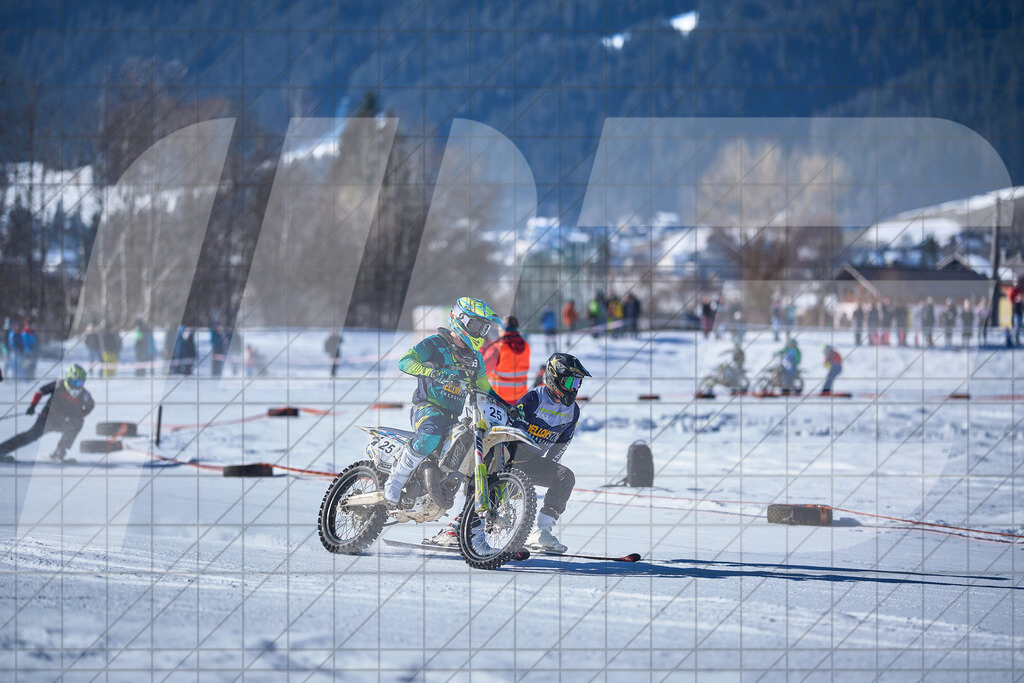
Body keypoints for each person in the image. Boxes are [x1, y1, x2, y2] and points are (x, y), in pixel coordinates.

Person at [429, 352, 591, 554]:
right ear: (554, 378)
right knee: (488, 485)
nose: (573, 388)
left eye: (577, 384)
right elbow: (513, 427)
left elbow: (561, 445)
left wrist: (545, 471)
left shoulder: (573, 411)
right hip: (506, 456)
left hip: (531, 462)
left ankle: (541, 532)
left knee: (565, 477)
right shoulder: (535, 397)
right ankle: (459, 528)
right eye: (569, 382)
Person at [381, 297, 503, 507]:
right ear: (461, 319)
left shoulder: (476, 358)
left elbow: (485, 387)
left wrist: (508, 406)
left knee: (467, 442)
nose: (480, 332)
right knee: (430, 434)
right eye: (476, 325)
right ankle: (396, 479)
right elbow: (405, 361)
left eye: (484, 328)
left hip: (453, 416)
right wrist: (430, 371)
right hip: (427, 407)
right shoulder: (434, 344)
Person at [0, 364, 94, 462]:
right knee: (31, 435)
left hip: (63, 422)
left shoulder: (84, 395)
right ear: (67, 378)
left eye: (78, 383)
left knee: (77, 422)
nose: (74, 385)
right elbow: (40, 392)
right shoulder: (58, 385)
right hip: (46, 419)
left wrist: (79, 415)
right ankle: (1, 450)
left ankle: (59, 452)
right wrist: (32, 406)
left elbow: (90, 406)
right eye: (72, 382)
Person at [481, 315, 531, 404]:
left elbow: (482, 367)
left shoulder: (497, 348)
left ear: (503, 328)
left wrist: (483, 348)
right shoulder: (525, 346)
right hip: (520, 398)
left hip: (500, 399)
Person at [1011, 275, 1023, 346]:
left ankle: (1017, 339)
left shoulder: (1020, 290)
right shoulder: (1013, 291)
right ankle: (1015, 340)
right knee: (1016, 327)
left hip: (1020, 314)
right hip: (1016, 313)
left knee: (1019, 327)